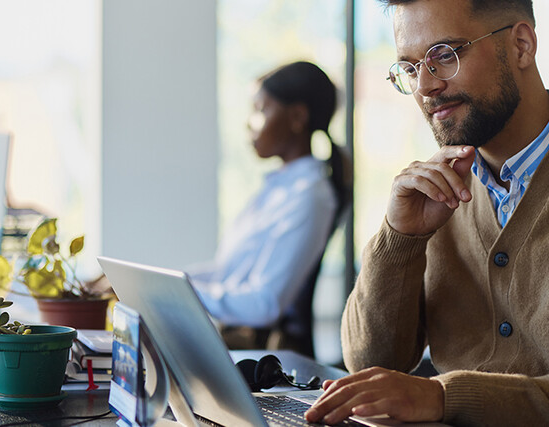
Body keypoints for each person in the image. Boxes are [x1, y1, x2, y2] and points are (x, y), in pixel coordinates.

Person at [304, 0, 549, 425]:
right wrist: (400, 237)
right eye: (411, 67)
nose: (425, 87)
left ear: (522, 45)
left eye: (444, 55)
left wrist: (442, 396)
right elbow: (369, 361)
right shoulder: (435, 191)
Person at [188, 61, 349, 357]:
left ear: (297, 116)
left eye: (261, 110)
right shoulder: (277, 189)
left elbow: (265, 304)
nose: (249, 122)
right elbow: (226, 274)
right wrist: (166, 285)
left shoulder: (309, 196)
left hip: (262, 359)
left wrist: (182, 294)